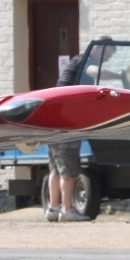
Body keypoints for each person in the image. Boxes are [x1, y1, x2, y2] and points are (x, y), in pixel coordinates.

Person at [47, 52, 88, 222]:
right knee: (68, 171)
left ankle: (53, 208)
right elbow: (93, 71)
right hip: (67, 123)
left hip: (55, 121)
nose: (107, 59)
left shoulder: (75, 62)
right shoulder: (86, 61)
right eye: (107, 55)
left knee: (56, 169)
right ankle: (67, 210)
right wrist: (120, 75)